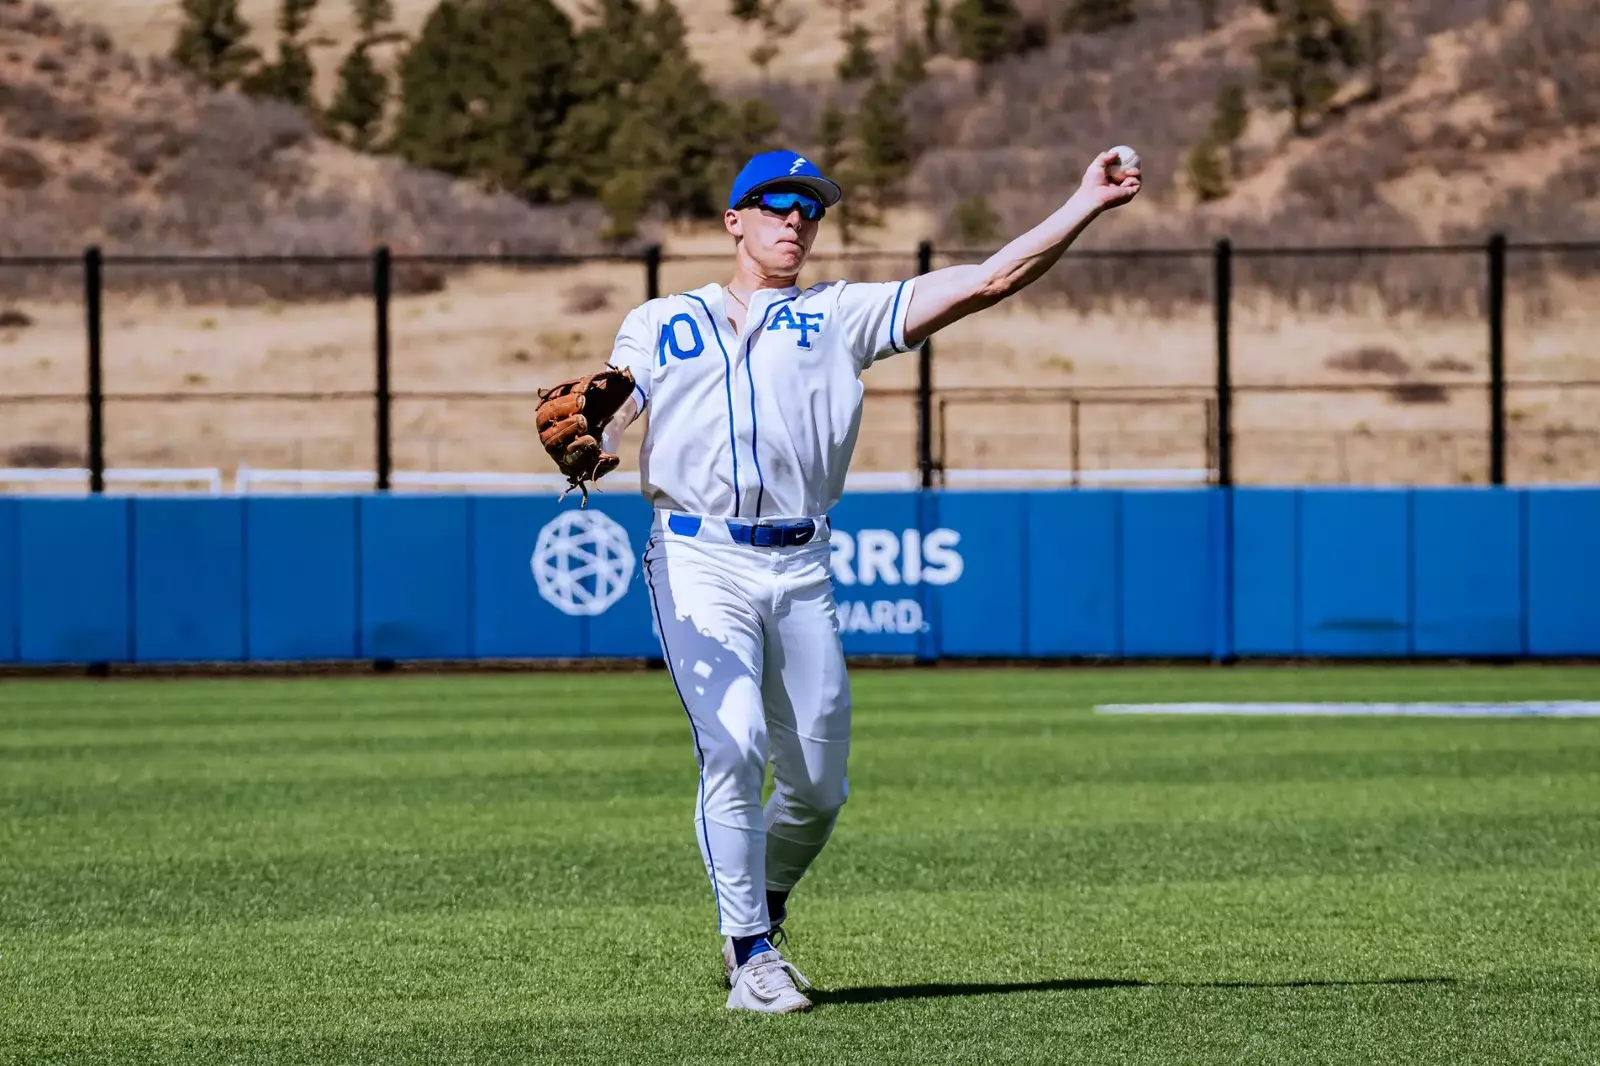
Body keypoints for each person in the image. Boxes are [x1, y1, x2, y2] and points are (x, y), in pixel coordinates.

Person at [595, 147, 1141, 1013]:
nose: (795, 220)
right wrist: (604, 435)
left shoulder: (840, 315)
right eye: (776, 204)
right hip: (698, 556)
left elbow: (990, 279)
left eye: (809, 208)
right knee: (733, 743)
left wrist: (1084, 203)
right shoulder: (661, 319)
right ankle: (749, 956)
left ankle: (760, 909)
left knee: (815, 790)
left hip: (801, 561)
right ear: (734, 219)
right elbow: (615, 401)